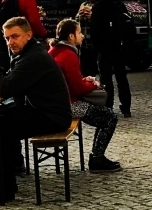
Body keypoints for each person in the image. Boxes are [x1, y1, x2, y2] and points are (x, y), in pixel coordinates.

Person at [0, 16, 72, 204]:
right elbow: (11, 83)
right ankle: (6, 176)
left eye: (15, 36)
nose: (11, 42)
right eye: (7, 38)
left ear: (28, 34)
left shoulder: (33, 57)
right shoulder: (27, 53)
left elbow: (5, 88)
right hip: (43, 110)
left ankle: (4, 187)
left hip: (53, 117)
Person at [48, 18, 121, 171]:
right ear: (71, 36)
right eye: (79, 32)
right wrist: (93, 84)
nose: (82, 36)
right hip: (68, 105)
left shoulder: (54, 51)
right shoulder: (68, 55)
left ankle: (97, 157)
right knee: (109, 117)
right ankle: (97, 159)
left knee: (104, 115)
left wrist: (83, 80)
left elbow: (69, 81)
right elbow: (78, 89)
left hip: (58, 102)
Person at [88, 0, 133, 117]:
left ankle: (108, 107)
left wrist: (96, 46)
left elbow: (94, 29)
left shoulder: (99, 5)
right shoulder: (119, 3)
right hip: (119, 46)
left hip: (105, 47)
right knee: (121, 77)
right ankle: (126, 107)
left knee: (106, 78)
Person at [77, 0, 101, 80]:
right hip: (85, 43)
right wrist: (80, 17)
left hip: (97, 43)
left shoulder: (100, 5)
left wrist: (93, 17)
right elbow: (76, 23)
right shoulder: (84, 4)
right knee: (85, 72)